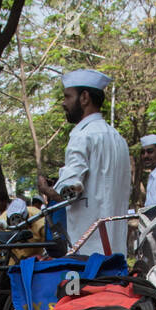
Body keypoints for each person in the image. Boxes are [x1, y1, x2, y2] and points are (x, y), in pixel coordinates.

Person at [37, 70, 130, 256]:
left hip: (88, 254)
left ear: (84, 97)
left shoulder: (82, 136)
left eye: (67, 96)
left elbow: (67, 193)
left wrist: (46, 190)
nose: (64, 103)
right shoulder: (118, 139)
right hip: (117, 253)